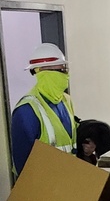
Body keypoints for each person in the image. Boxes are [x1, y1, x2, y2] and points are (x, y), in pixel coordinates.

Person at [10, 44, 78, 177]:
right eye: (61, 70)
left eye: (65, 69)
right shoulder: (27, 111)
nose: (66, 75)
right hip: (44, 189)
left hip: (69, 182)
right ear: (42, 72)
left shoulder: (66, 100)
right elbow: (23, 166)